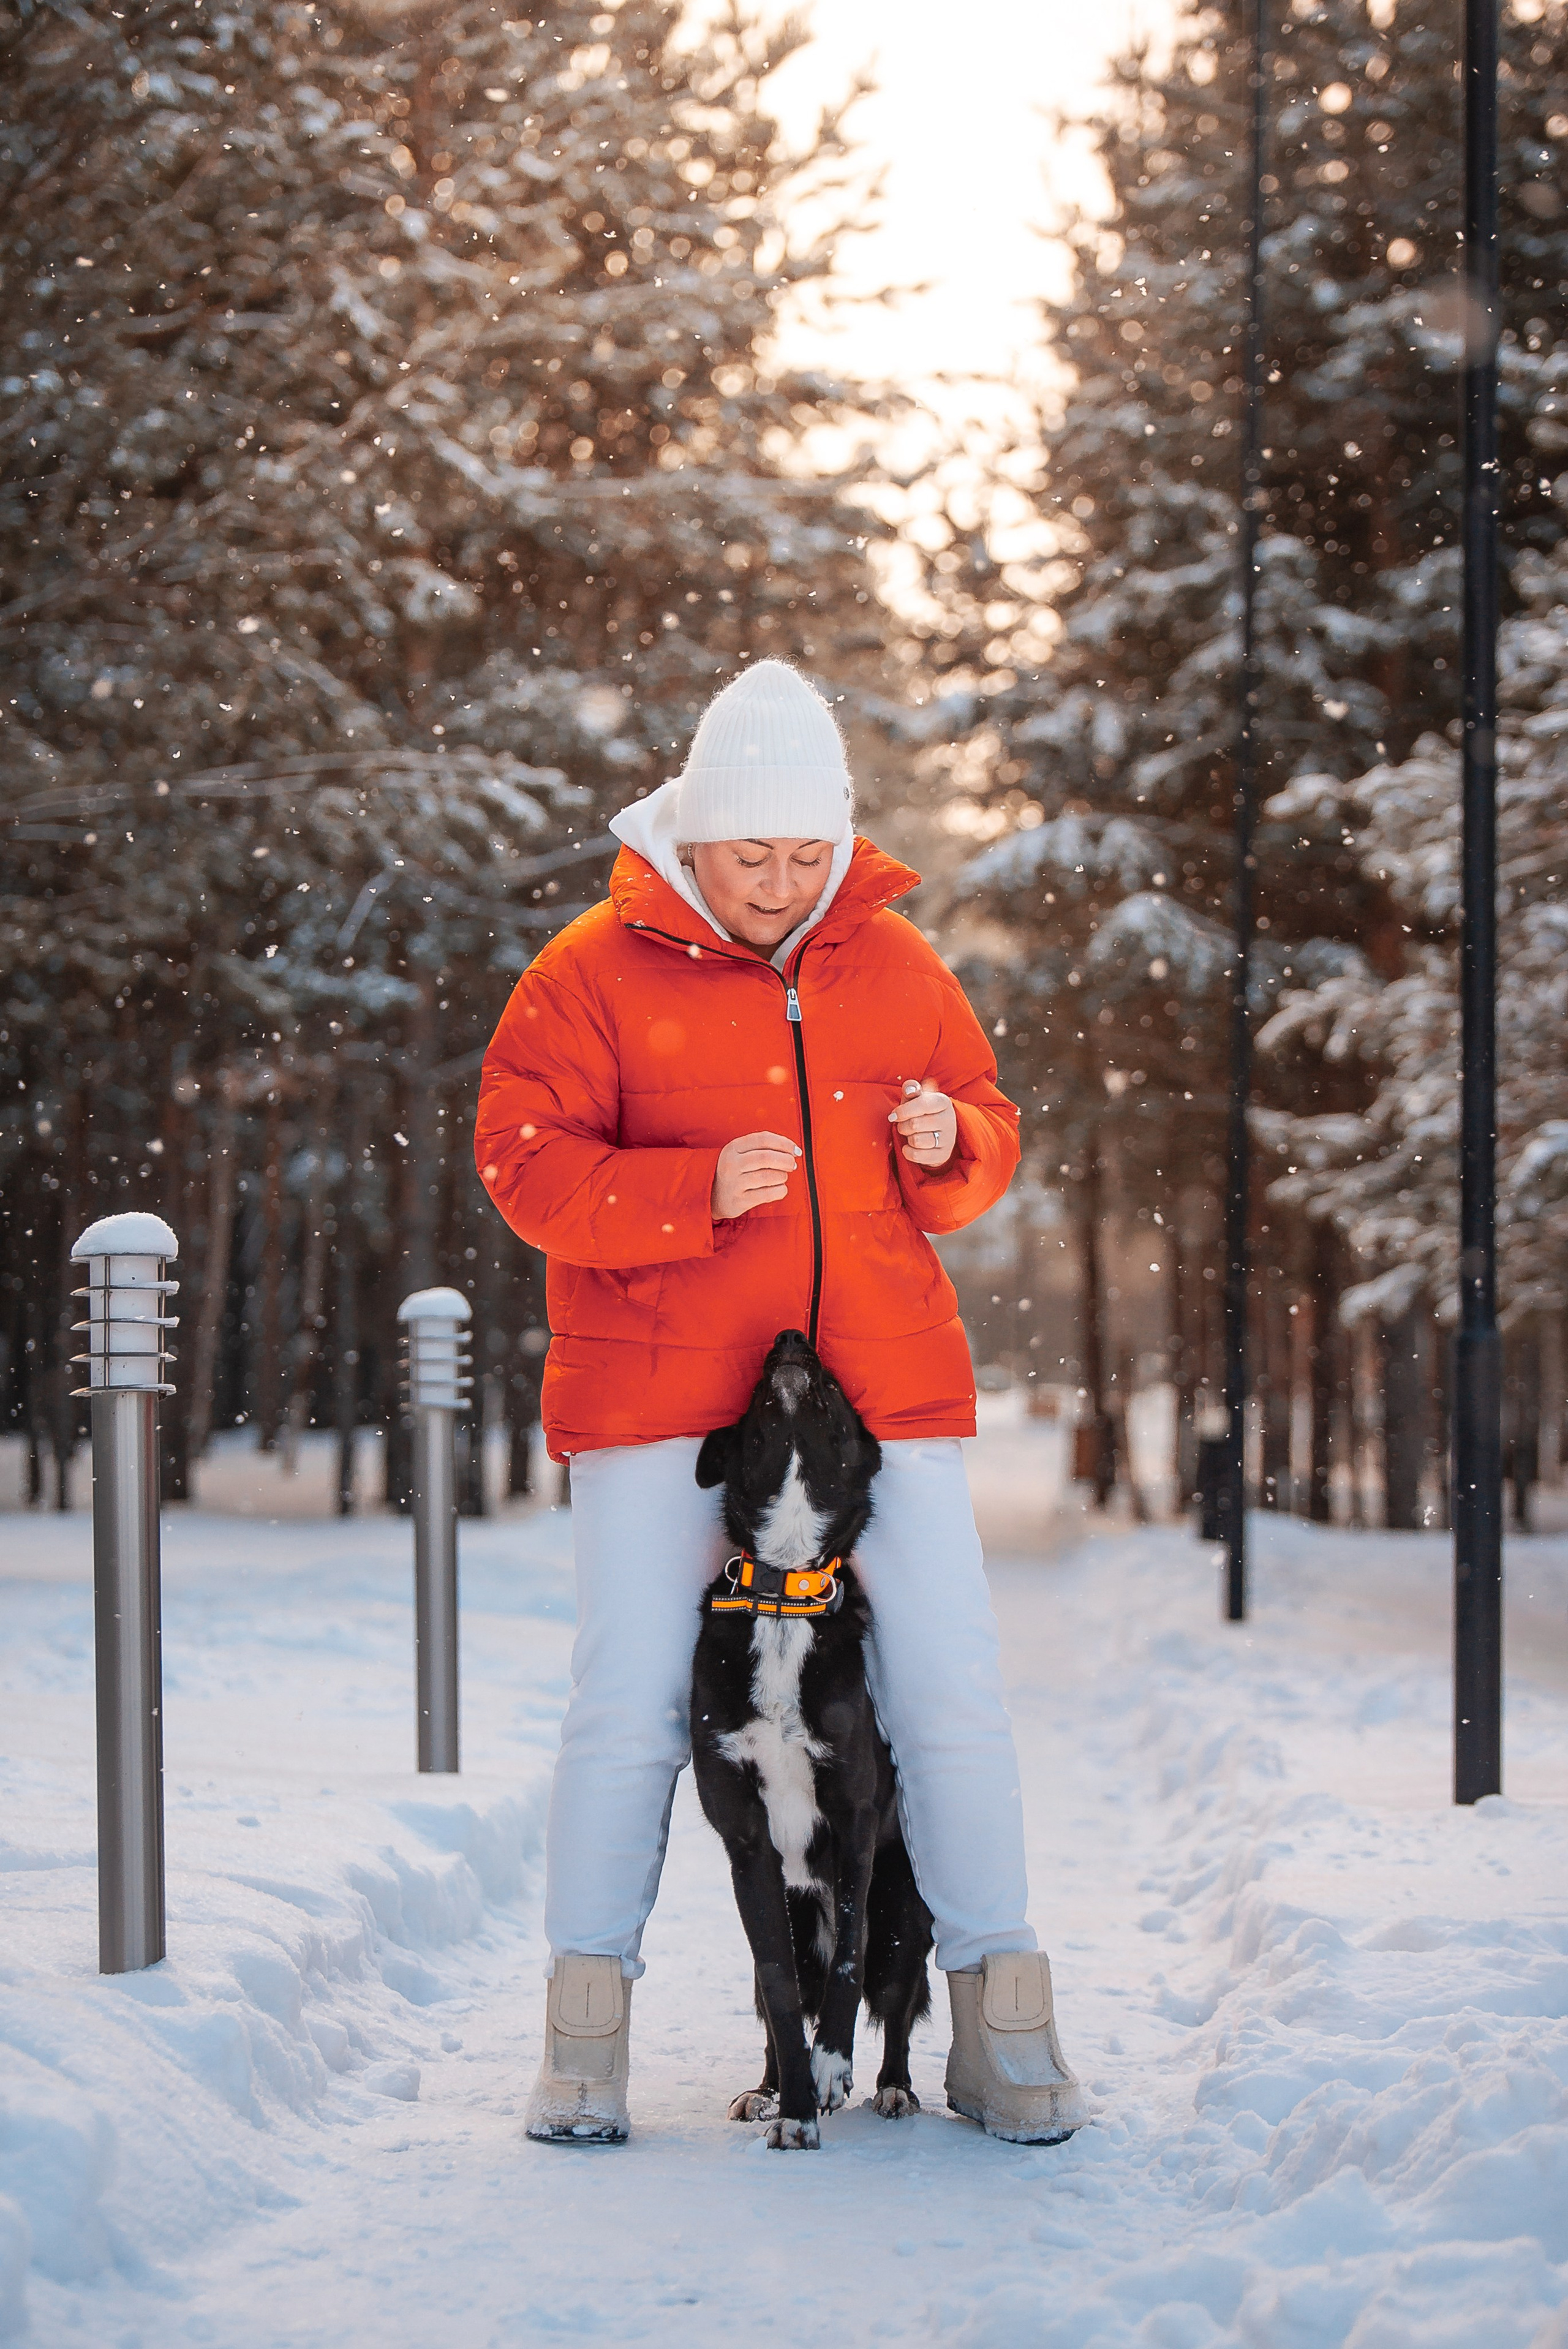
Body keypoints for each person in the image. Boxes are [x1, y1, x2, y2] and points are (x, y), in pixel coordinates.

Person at [475, 659, 1083, 2145]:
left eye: (807, 852)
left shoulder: (895, 963)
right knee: (625, 1710)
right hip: (660, 1412)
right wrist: (691, 1191)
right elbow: (522, 1165)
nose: (779, 881)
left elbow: (986, 1135)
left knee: (948, 1693)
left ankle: (1001, 2024)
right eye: (752, 852)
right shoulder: (586, 972)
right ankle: (584, 2036)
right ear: (690, 829)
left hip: (882, 1400)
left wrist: (953, 1140)